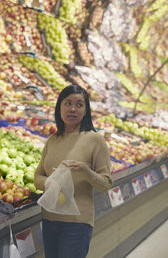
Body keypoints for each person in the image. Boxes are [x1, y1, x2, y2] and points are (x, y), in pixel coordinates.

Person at [34, 84, 112, 258]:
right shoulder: (52, 140)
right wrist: (49, 183)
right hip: (49, 220)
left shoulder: (95, 140)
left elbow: (106, 184)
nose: (73, 109)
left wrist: (86, 171)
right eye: (67, 103)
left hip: (77, 224)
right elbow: (37, 176)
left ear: (85, 111)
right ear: (59, 107)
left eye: (79, 104)